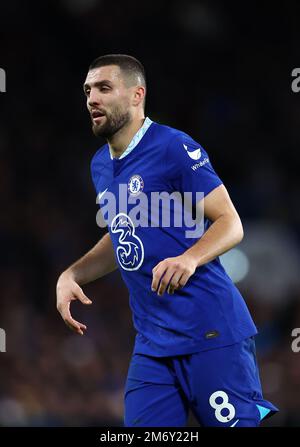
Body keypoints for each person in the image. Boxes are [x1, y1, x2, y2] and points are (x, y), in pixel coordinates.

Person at [56, 54, 278, 427]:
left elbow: (231, 222)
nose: (92, 98)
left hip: (210, 332)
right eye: (88, 90)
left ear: (135, 95)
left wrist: (189, 258)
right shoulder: (99, 165)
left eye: (104, 88)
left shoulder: (173, 147)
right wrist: (72, 275)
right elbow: (122, 235)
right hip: (152, 345)